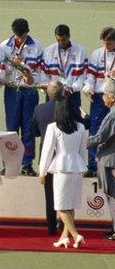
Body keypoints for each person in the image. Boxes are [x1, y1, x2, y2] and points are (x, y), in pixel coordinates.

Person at [34, 81, 89, 235]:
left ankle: (62, 230)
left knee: (54, 199)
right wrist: (84, 165)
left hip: (57, 163)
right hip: (75, 164)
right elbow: (83, 144)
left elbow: (39, 138)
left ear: (47, 93)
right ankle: (65, 233)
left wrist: (42, 171)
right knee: (70, 201)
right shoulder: (76, 118)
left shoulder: (41, 110)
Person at [0, 18, 43, 176]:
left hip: (29, 91)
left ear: (28, 32)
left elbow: (40, 71)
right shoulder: (4, 46)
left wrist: (28, 75)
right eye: (16, 36)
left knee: (28, 128)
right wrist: (13, 66)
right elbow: (1, 70)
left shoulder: (36, 46)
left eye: (22, 36)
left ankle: (27, 164)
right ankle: (9, 163)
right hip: (12, 90)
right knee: (11, 128)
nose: (19, 39)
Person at [83, 27, 115, 178]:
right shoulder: (97, 54)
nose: (105, 46)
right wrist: (88, 88)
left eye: (108, 44)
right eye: (104, 43)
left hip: (113, 96)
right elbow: (90, 76)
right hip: (98, 97)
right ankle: (93, 165)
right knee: (95, 129)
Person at [87, 77, 115, 241]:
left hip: (108, 159)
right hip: (109, 156)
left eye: (105, 94)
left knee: (112, 195)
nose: (103, 97)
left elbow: (100, 137)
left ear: (113, 97)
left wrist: (81, 141)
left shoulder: (112, 116)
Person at [41, 24, 86, 114]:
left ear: (69, 36)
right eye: (58, 40)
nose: (61, 42)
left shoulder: (80, 50)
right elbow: (44, 75)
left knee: (73, 124)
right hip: (53, 95)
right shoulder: (48, 51)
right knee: (52, 122)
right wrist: (50, 88)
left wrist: (72, 88)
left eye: (64, 40)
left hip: (72, 95)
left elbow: (82, 76)